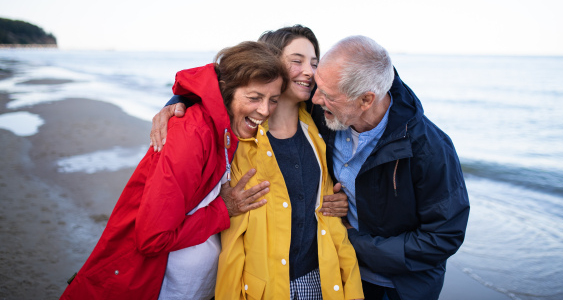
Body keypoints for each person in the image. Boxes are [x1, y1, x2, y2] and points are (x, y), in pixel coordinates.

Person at [153, 33, 470, 300]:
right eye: (315, 82)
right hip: (342, 270)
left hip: (398, 287)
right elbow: (239, 83)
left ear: (365, 100)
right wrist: (180, 101)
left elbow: (444, 237)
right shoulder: (326, 116)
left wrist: (354, 240)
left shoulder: (429, 148)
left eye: (326, 93)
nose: (316, 97)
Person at [60, 41, 288, 300]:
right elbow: (152, 238)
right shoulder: (192, 134)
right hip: (147, 285)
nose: (265, 110)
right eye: (254, 97)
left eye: (273, 100)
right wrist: (223, 210)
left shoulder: (225, 129)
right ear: (227, 91)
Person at [159, 26, 364, 299]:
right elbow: (217, 85)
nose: (309, 71)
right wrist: (177, 100)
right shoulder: (238, 136)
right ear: (270, 63)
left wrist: (346, 206)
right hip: (261, 287)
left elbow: (376, 88)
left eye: (315, 63)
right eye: (297, 60)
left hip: (321, 280)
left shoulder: (321, 126)